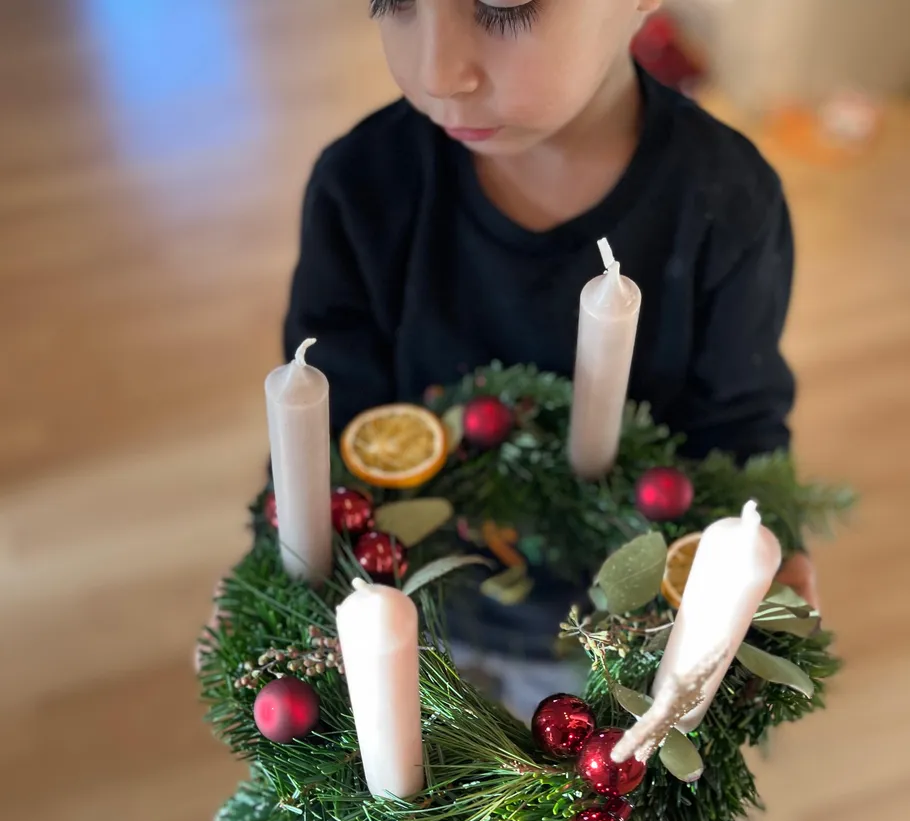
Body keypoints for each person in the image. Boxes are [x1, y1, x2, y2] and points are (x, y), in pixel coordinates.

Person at [280, 0, 818, 719]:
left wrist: (765, 548)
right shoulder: (361, 190)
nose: (438, 72)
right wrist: (279, 577)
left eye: (503, 7)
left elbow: (739, 422)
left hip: (617, 644)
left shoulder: (726, 202)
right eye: (394, 1)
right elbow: (321, 432)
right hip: (402, 618)